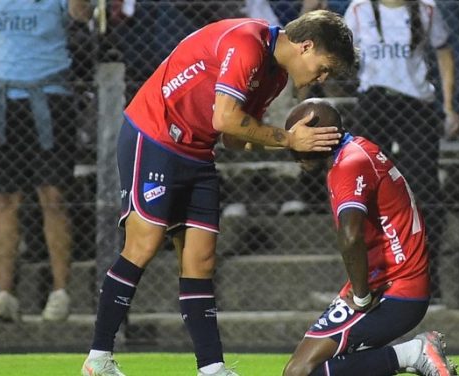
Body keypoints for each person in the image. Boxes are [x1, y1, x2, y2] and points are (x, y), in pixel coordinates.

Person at [81, 10, 357, 376]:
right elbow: (225, 119)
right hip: (155, 135)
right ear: (306, 46)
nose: (322, 78)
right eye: (324, 67)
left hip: (197, 150)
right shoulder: (247, 44)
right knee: (142, 246)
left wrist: (290, 148)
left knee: (201, 261)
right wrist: (288, 138)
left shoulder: (275, 75)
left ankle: (211, 368)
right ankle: (98, 359)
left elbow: (231, 137)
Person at [282, 98, 457, 376]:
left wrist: (362, 296)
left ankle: (413, 353)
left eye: (299, 141)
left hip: (394, 289)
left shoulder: (348, 166)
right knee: (315, 370)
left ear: (322, 137)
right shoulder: (358, 149)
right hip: (394, 281)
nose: (292, 149)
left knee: (299, 373)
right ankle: (410, 353)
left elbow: (350, 237)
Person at [0, 0, 93, 323]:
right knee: (3, 200)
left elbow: (83, 14)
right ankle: (5, 294)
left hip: (50, 97)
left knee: (53, 197)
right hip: (1, 100)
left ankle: (60, 292)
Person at [343, 0, 458, 301]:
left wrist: (448, 106)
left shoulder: (427, 9)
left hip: (416, 104)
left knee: (424, 188)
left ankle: (425, 279)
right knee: (365, 191)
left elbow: (444, 53)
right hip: (374, 103)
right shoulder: (359, 9)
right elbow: (342, 53)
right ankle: (369, 278)